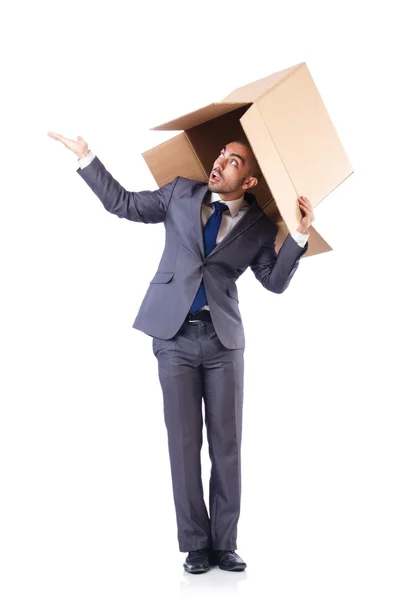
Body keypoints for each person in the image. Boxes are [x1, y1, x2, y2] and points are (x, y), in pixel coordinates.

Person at [47, 131, 315, 574]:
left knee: (227, 447)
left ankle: (224, 544)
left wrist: (299, 237)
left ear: (249, 182)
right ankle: (195, 544)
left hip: (224, 343)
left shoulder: (261, 226)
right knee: (185, 444)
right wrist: (87, 158)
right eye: (222, 154)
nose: (221, 161)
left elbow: (274, 281)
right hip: (173, 338)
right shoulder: (180, 193)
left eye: (234, 161)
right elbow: (125, 204)